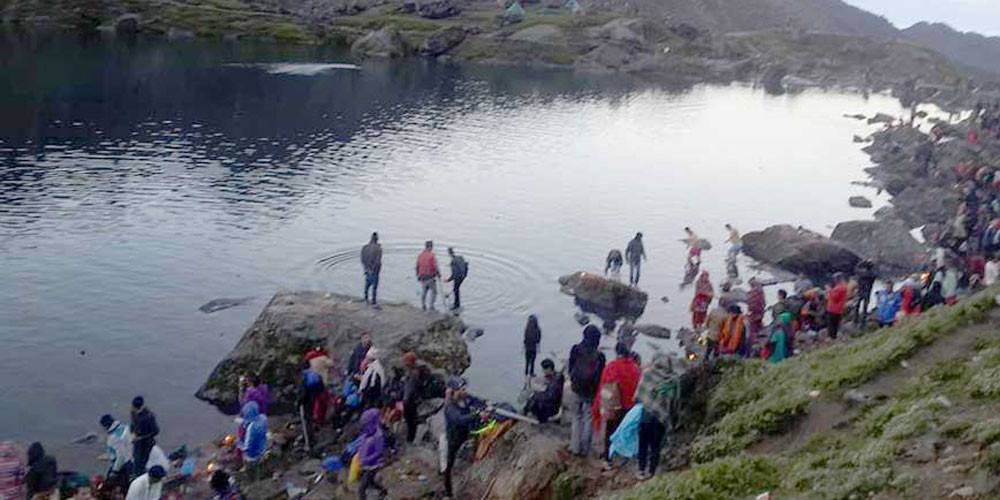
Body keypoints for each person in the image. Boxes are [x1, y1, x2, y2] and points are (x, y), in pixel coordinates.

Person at [593, 342, 641, 470]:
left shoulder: (611, 367)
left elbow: (604, 388)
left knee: (609, 432)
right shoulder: (635, 368)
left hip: (614, 407)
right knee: (627, 431)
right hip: (630, 407)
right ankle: (625, 456)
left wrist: (598, 406)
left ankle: (607, 459)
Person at [568, 325, 606, 458]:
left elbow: (570, 366)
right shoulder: (600, 356)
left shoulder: (576, 349)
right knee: (588, 418)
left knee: (576, 416)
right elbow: (601, 376)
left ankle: (575, 447)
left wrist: (572, 380)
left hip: (576, 387)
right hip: (591, 391)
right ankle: (585, 449)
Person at [443, 378, 480, 500]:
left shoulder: (465, 398)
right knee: (449, 465)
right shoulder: (450, 406)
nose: (464, 391)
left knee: (466, 459)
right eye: (461, 389)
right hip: (453, 438)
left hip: (465, 434)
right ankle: (448, 493)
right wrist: (476, 414)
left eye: (464, 389)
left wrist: (486, 405)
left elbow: (476, 401)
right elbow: (459, 419)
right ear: (454, 391)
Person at [356, 408, 389, 500]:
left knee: (362, 488)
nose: (365, 427)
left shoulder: (378, 436)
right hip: (365, 464)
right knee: (371, 483)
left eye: (367, 424)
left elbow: (379, 452)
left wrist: (367, 459)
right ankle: (383, 491)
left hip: (373, 466)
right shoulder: (366, 434)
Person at [100, 414, 133, 496]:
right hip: (131, 460)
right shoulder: (125, 428)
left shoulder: (114, 438)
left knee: (109, 485)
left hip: (122, 466)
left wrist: (114, 471)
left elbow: (120, 456)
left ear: (105, 426)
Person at [524, 359, 563, 423]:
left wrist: (537, 393)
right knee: (535, 396)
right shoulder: (557, 376)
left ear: (549, 369)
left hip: (552, 407)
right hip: (555, 403)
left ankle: (529, 413)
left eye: (544, 369)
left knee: (534, 398)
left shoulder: (556, 381)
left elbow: (550, 396)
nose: (543, 371)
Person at [130, 396, 159, 474]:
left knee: (142, 463)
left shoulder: (148, 416)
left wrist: (141, 438)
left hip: (146, 443)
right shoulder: (133, 412)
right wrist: (133, 433)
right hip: (137, 442)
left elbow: (155, 431)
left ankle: (141, 475)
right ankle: (136, 475)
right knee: (136, 461)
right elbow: (133, 424)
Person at [238, 401, 268, 473]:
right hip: (263, 447)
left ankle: (248, 470)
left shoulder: (251, 429)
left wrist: (238, 444)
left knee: (248, 461)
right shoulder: (263, 418)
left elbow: (247, 446)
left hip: (253, 455)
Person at [402, 352, 423, 443]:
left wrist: (404, 401)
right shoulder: (416, 371)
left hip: (410, 402)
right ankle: (411, 438)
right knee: (412, 421)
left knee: (410, 421)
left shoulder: (412, 374)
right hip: (415, 400)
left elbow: (409, 389)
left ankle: (410, 440)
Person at [416, 241, 440, 311]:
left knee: (424, 291)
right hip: (430, 277)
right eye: (432, 247)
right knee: (434, 292)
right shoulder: (432, 255)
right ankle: (431, 306)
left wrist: (417, 275)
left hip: (422, 277)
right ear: (430, 247)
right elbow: (435, 266)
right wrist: (438, 274)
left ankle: (423, 305)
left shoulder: (420, 255)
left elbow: (417, 266)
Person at [854, 260, 878, 326]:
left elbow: (855, 268)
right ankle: (863, 322)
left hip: (861, 291)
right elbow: (876, 273)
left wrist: (862, 262)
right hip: (867, 292)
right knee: (865, 307)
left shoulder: (861, 273)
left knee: (857, 306)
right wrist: (874, 265)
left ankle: (855, 320)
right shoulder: (872, 274)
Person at [361, 232, 383, 306]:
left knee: (367, 285)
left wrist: (366, 268)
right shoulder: (378, 249)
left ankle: (366, 298)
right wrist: (374, 270)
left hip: (367, 270)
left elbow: (362, 259)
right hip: (374, 271)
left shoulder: (365, 247)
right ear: (377, 239)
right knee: (374, 287)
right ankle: (374, 302)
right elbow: (377, 261)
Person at [826, 274, 849, 339]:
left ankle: (831, 337)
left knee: (832, 324)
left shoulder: (840, 287)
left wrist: (829, 290)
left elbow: (835, 297)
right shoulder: (842, 287)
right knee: (835, 324)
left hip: (834, 309)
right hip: (838, 309)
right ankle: (834, 337)